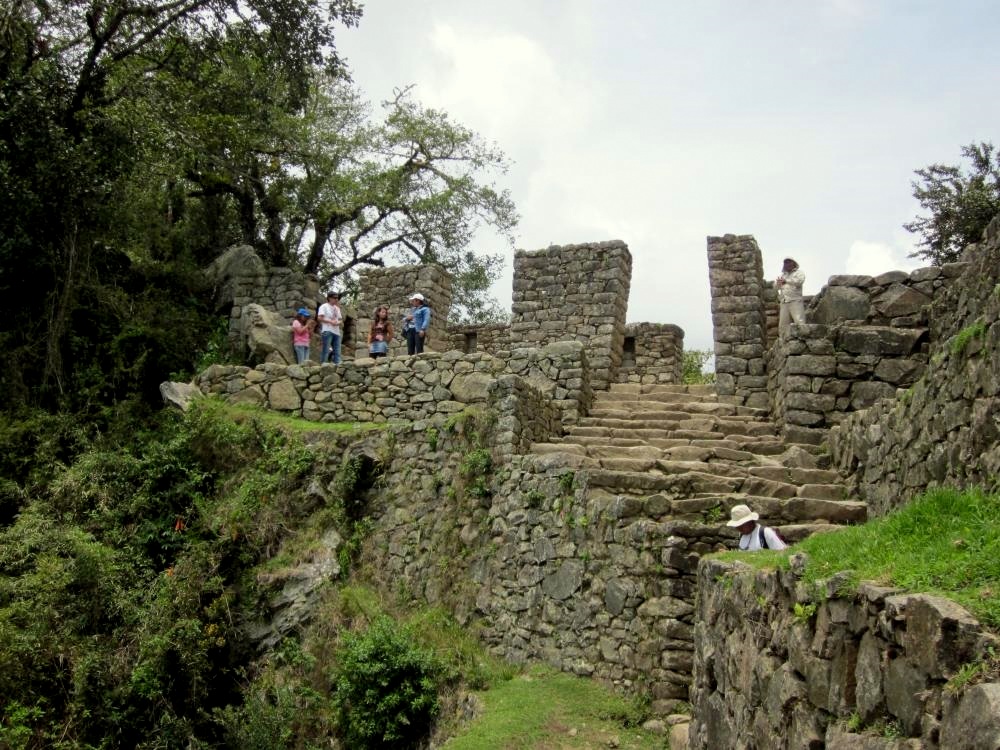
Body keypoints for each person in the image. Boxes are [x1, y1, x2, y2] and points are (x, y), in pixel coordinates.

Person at [776, 257, 806, 337]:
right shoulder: (783, 276)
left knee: (799, 321)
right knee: (783, 324)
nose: (787, 264)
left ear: (794, 263)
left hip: (795, 301)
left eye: (789, 262)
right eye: (785, 263)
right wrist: (778, 283)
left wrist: (786, 281)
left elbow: (799, 281)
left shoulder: (799, 273)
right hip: (784, 302)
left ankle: (803, 339)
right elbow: (776, 288)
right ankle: (783, 342)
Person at [318, 291, 344, 364]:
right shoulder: (324, 306)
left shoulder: (337, 308)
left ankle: (338, 366)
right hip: (327, 330)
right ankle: (323, 366)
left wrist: (338, 323)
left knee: (337, 351)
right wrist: (330, 322)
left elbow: (340, 320)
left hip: (336, 331)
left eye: (337, 298)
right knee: (326, 350)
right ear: (329, 298)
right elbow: (319, 318)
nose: (336, 299)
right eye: (335, 298)